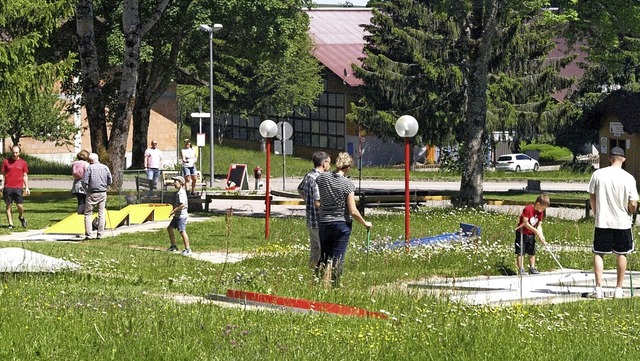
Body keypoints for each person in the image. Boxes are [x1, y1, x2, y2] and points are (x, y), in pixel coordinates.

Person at [587, 146, 638, 299]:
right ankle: (618, 289)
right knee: (622, 254)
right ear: (624, 160)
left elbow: (592, 196)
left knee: (599, 253)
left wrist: (596, 213)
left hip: (603, 220)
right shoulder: (628, 177)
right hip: (622, 221)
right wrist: (630, 211)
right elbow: (633, 203)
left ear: (610, 158)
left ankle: (598, 289)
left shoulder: (598, 174)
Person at [315, 152, 372, 286]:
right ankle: (335, 286)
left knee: (324, 256)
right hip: (341, 223)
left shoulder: (322, 178)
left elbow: (317, 188)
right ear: (348, 167)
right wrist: (365, 223)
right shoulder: (348, 184)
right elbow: (352, 210)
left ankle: (317, 284)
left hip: (324, 222)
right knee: (337, 258)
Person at [297, 151, 331, 271]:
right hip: (319, 221)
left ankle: (311, 272)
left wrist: (307, 199)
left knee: (315, 250)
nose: (330, 166)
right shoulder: (318, 178)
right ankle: (322, 274)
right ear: (324, 163)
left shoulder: (309, 175)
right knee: (324, 250)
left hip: (310, 221)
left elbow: (299, 189)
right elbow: (318, 202)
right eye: (329, 163)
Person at [514, 193, 549, 275]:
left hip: (531, 234)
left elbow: (539, 225)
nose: (543, 210)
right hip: (522, 233)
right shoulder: (528, 209)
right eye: (543, 208)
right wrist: (536, 231)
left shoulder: (540, 213)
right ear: (538, 204)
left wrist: (541, 235)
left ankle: (532, 268)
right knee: (520, 251)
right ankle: (521, 269)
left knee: (532, 251)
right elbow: (525, 223)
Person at [82, 153, 112, 240]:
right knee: (101, 213)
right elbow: (110, 180)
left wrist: (87, 189)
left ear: (91, 161)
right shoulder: (105, 167)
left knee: (88, 213)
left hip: (92, 193)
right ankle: (100, 234)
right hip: (102, 192)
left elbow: (85, 181)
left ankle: (89, 234)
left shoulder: (90, 168)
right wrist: (106, 186)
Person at [1, 145, 30, 228]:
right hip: (8, 187)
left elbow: (25, 175)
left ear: (19, 153)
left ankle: (21, 217)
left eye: (16, 153)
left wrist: (27, 187)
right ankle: (10, 224)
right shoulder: (6, 162)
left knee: (20, 206)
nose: (14, 154)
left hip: (18, 187)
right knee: (8, 205)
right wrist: (1, 185)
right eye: (13, 152)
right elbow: (2, 174)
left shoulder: (23, 163)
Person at [166, 175, 191, 256]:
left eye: (176, 182)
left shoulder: (181, 193)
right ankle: (173, 246)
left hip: (181, 216)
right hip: (177, 216)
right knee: (170, 228)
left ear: (181, 183)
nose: (174, 183)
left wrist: (173, 211)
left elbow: (182, 205)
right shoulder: (179, 192)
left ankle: (188, 249)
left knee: (182, 231)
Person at [71, 150, 90, 214]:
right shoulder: (86, 164)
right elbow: (88, 174)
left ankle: (81, 212)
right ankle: (80, 213)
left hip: (76, 183)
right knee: (84, 201)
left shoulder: (74, 163)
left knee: (80, 201)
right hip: (83, 184)